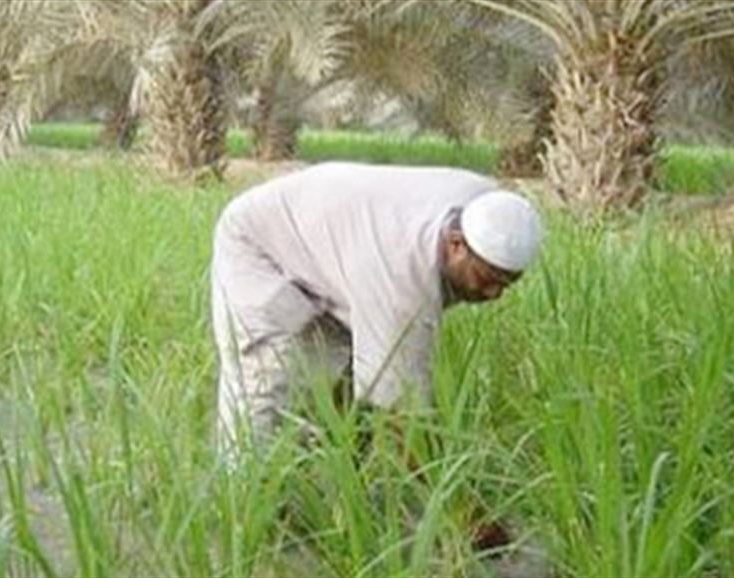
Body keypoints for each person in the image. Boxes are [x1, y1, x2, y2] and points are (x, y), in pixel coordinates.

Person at [210, 161, 543, 554]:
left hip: (338, 244)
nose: (492, 295)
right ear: (455, 244)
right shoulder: (403, 278)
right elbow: (402, 421)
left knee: (337, 379)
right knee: (268, 387)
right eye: (486, 279)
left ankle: (327, 496)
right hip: (263, 248)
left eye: (507, 284)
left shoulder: (492, 208)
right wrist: (463, 512)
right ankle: (243, 529)